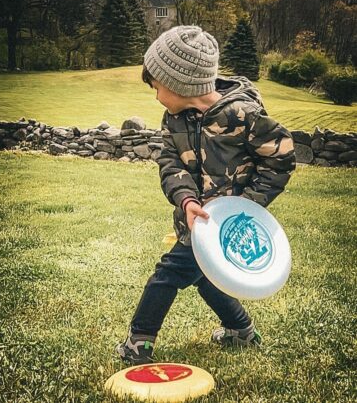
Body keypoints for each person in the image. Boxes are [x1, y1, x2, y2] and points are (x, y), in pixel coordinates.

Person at [116, 25, 296, 365]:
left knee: (166, 275)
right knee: (207, 277)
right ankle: (241, 331)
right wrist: (186, 200)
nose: (155, 96)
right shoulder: (173, 118)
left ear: (178, 84)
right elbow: (170, 163)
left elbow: (280, 158)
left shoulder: (242, 116)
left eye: (155, 87)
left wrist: (247, 206)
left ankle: (138, 343)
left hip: (225, 225)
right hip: (194, 220)